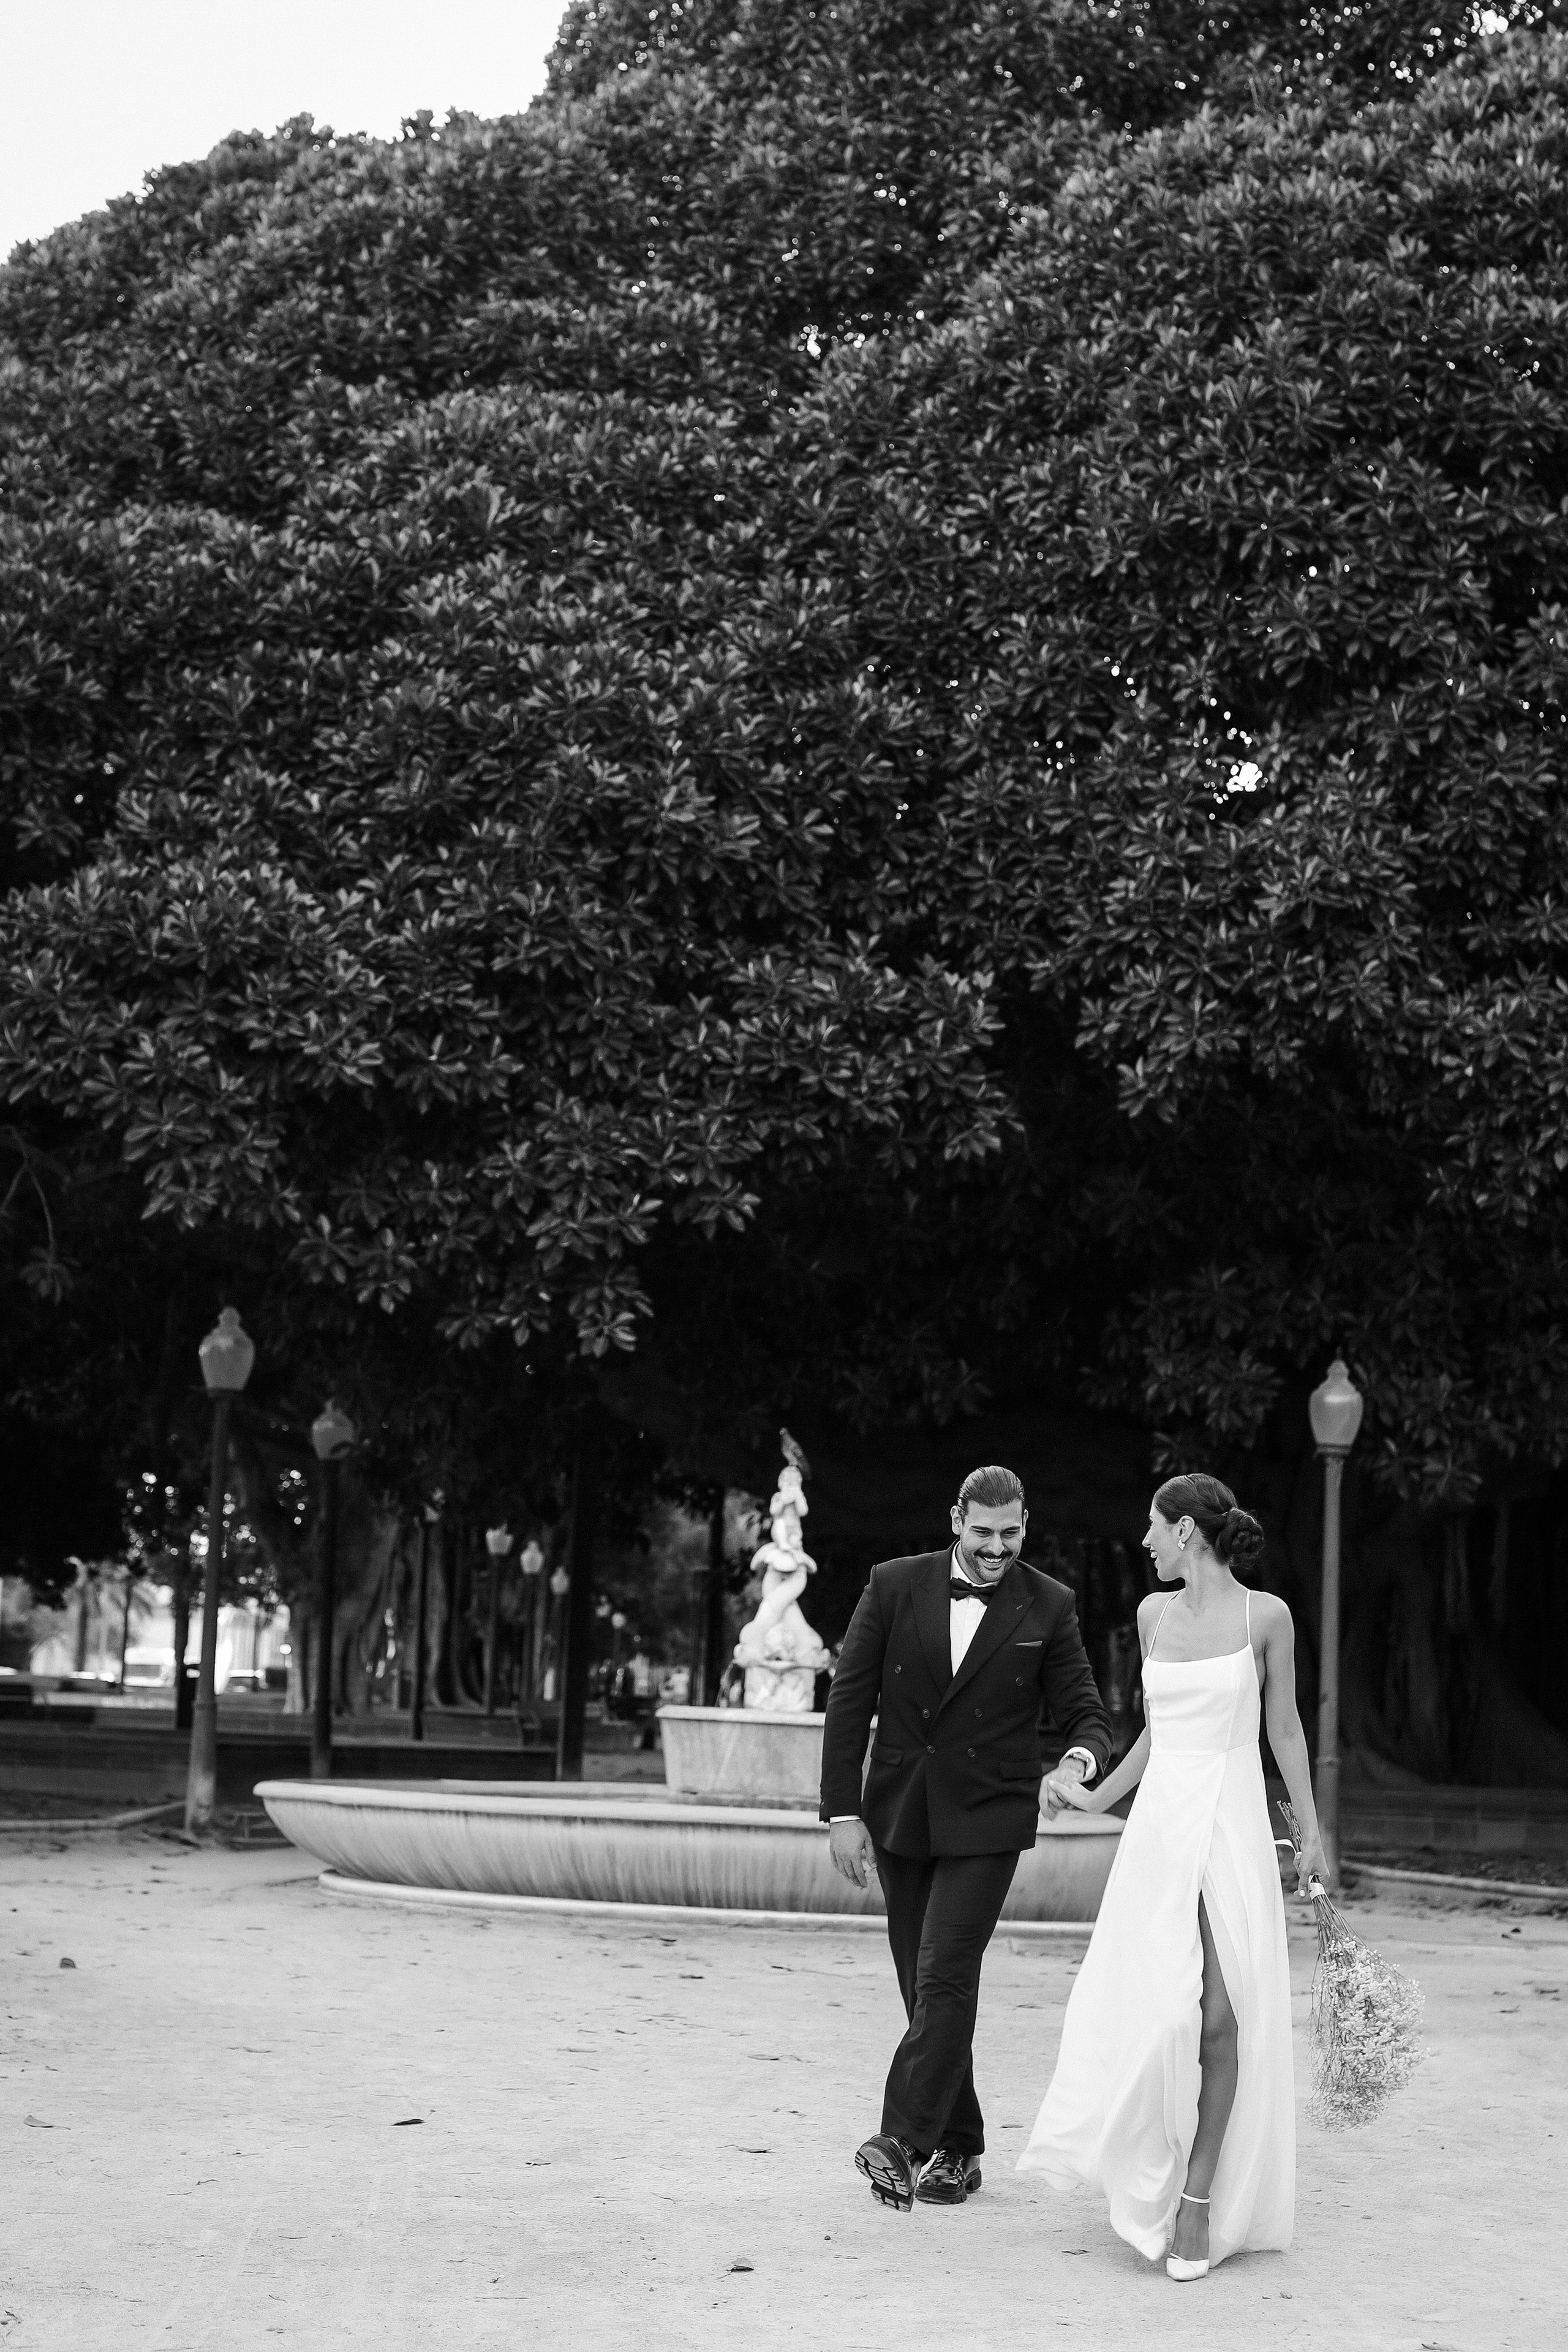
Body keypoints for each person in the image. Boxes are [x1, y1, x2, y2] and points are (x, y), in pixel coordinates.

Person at [1019, 1472, 1327, 2280]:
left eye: (1155, 1528)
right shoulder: (1153, 1614)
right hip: (1159, 1827)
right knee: (1160, 2018)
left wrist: (1311, 1834)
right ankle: (1149, 2178)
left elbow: (1286, 1730)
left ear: (1187, 1530)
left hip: (1229, 1820)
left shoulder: (1268, 1616)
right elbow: (1154, 1737)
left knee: (1224, 2021)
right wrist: (1094, 1800)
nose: (1147, 1542)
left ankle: (1198, 2202)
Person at [820, 1466, 1111, 2212]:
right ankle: (962, 2146)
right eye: (982, 1532)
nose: (996, 1548)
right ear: (956, 1519)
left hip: (988, 1816)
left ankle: (902, 2142)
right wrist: (841, 1810)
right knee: (924, 1990)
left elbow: (1084, 1710)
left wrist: (1077, 1760)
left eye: (1010, 1533)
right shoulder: (892, 1583)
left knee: (945, 1971)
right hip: (900, 1813)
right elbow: (850, 1700)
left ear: (1025, 1525)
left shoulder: (1049, 1603)